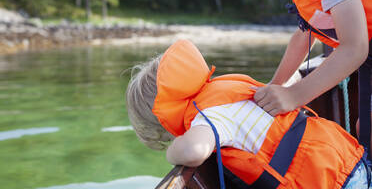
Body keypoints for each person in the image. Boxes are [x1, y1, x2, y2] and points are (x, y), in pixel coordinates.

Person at [125, 39, 370, 188]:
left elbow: (194, 151)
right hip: (350, 158)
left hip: (328, 181)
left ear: (162, 114)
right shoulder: (228, 86)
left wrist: (173, 151)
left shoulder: (207, 116)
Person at [237, 0, 372, 156]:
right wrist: (274, 85)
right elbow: (302, 38)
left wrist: (293, 96)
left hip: (364, 52)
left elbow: (354, 48)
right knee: (365, 129)